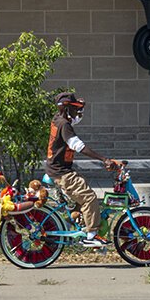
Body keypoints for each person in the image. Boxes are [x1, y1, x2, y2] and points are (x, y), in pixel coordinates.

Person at [46, 92, 119, 248]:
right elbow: (79, 146)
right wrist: (104, 159)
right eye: (74, 108)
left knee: (82, 189)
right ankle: (92, 235)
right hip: (61, 172)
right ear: (66, 109)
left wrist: (81, 108)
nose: (77, 112)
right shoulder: (64, 125)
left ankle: (73, 221)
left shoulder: (58, 119)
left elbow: (76, 119)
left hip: (58, 169)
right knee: (89, 198)